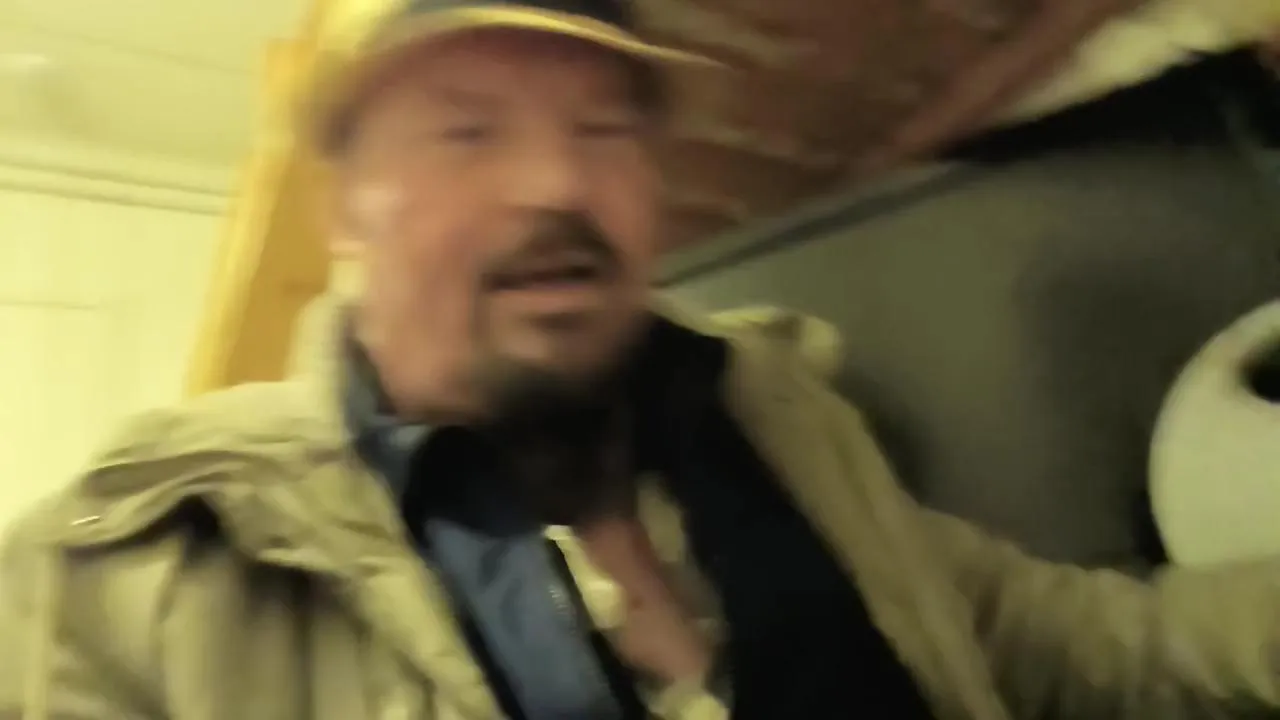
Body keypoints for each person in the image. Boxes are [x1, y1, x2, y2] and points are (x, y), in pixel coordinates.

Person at [1, 0, 1278, 718]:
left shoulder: (784, 425)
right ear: (344, 211)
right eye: (466, 132)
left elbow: (1072, 639)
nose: (557, 184)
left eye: (604, 131)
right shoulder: (130, 580)